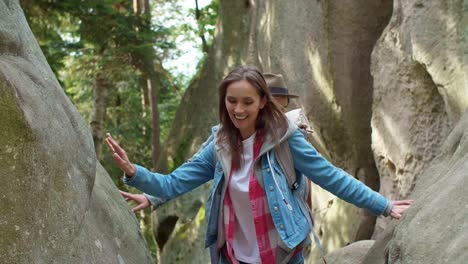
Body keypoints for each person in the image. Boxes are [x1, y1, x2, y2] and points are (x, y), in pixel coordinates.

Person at [106, 65, 413, 264]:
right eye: (231, 101)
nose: (238, 109)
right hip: (233, 257)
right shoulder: (219, 144)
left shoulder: (286, 139)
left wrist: (384, 205)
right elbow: (175, 182)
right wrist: (135, 173)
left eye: (247, 102)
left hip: (283, 254)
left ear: (263, 102)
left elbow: (332, 177)